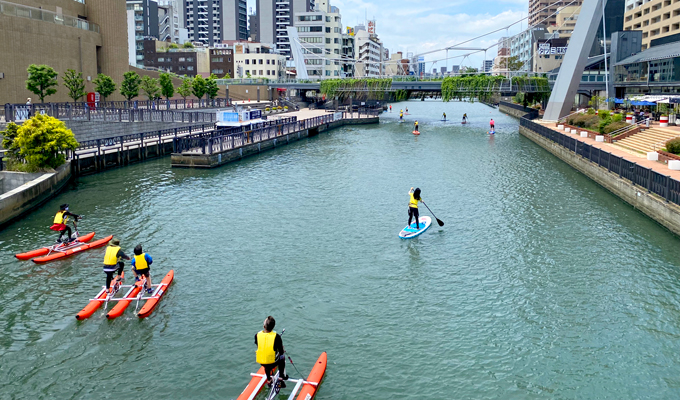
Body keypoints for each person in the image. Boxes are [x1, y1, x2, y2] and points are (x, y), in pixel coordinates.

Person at [254, 316, 288, 388]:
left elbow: (259, 345)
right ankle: (281, 378)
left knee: (266, 362)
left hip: (261, 361)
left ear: (264, 326)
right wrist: (280, 349)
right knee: (282, 357)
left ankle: (269, 379)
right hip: (273, 362)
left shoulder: (257, 335)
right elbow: (281, 352)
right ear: (273, 327)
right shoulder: (277, 337)